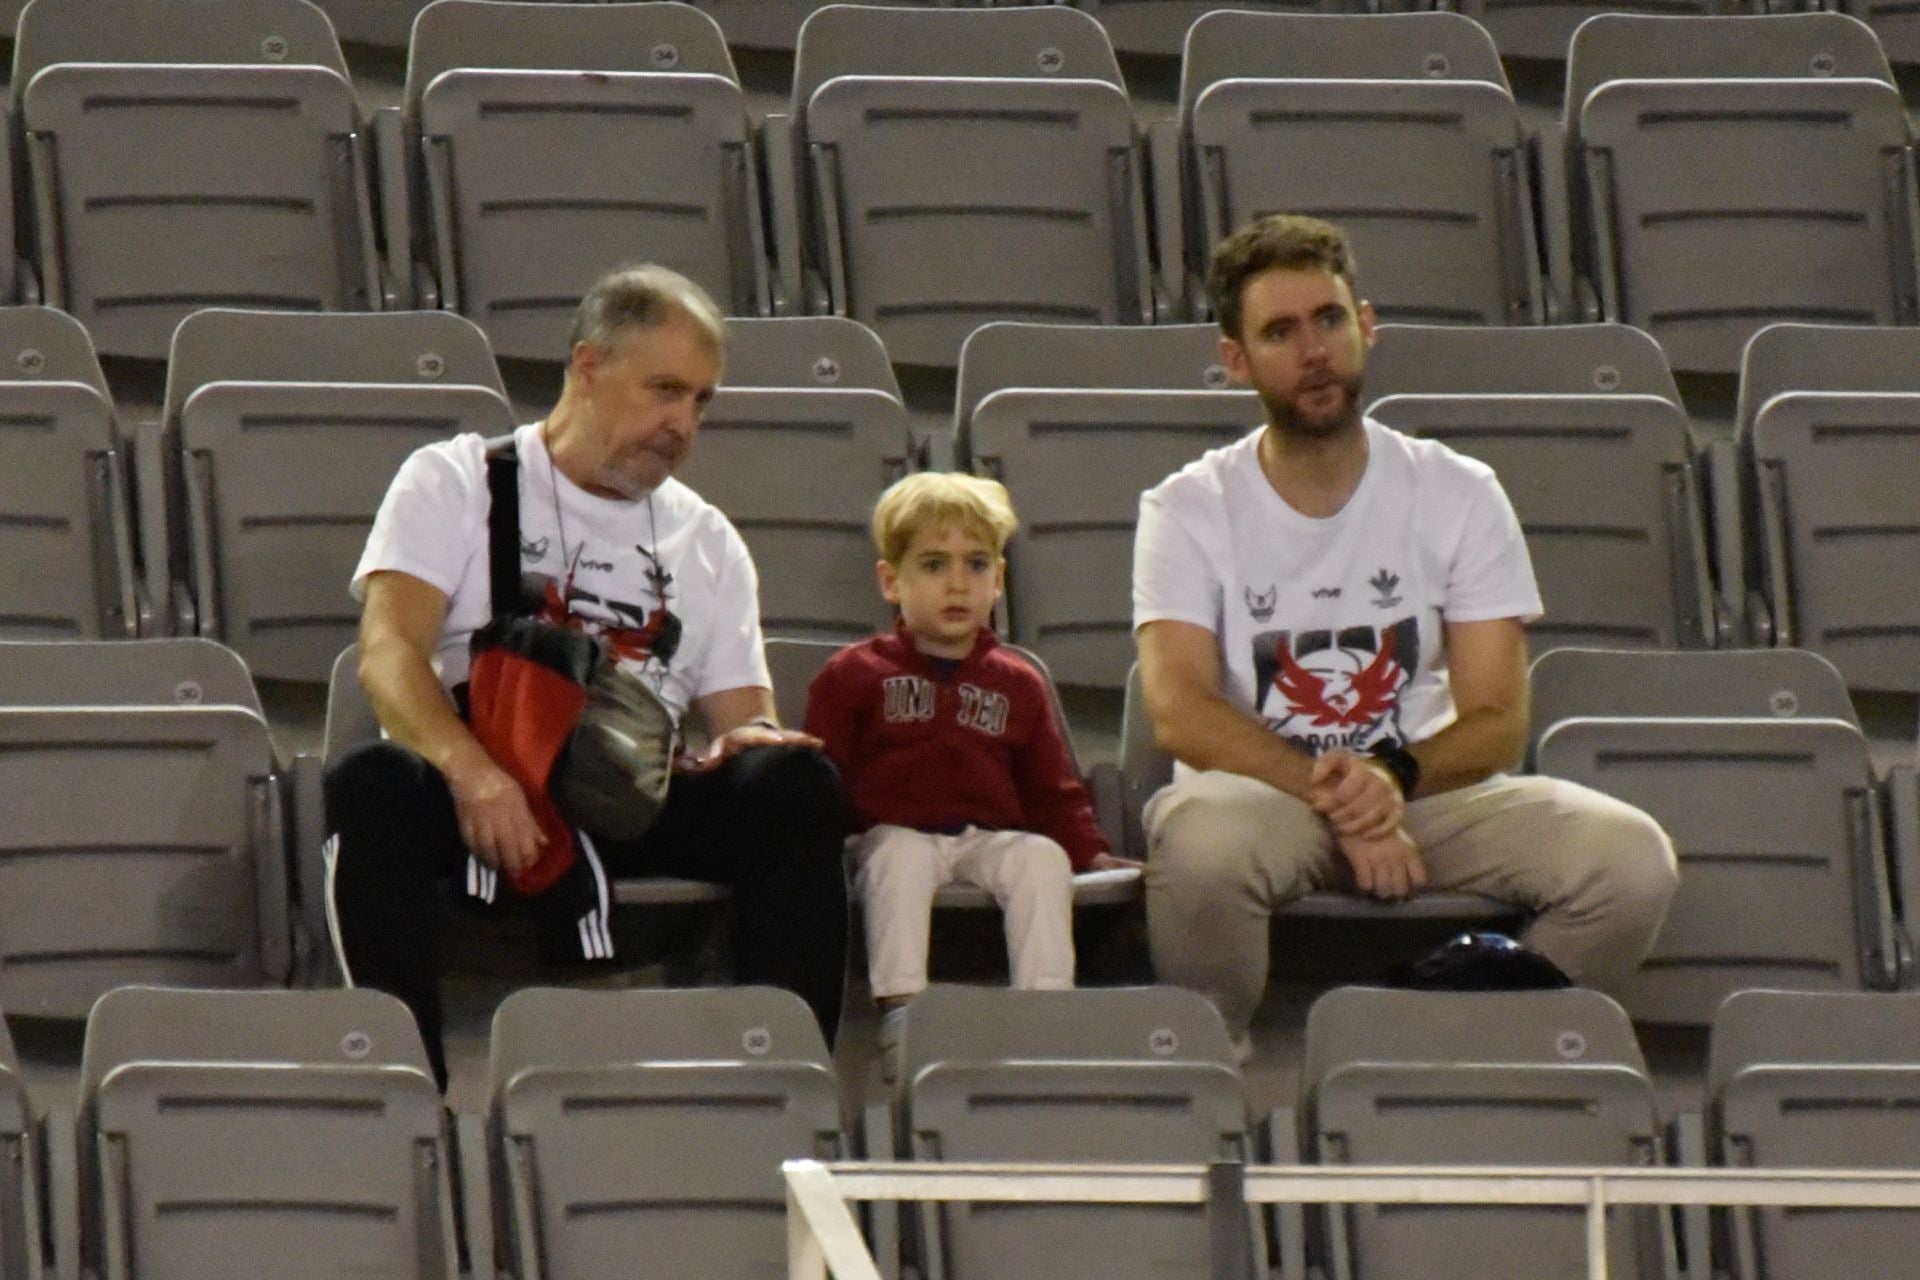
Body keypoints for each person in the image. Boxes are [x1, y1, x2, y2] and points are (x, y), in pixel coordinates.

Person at [1132, 214, 1679, 1044]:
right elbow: (1181, 712)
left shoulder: (1456, 489)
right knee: (1202, 845)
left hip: (1424, 788)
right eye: (1280, 332)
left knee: (1630, 860)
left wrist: (1390, 781)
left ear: (1367, 325)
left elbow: (1498, 716)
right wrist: (1344, 799)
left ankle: (1454, 1036)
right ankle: (1218, 1062)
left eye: (1329, 320)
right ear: (1235, 359)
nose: (1313, 350)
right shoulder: (1186, 506)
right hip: (1265, 798)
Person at [324, 265, 849, 1086]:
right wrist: (472, 773)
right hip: (487, 784)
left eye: (701, 402)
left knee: (794, 784)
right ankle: (406, 1088)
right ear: (588, 366)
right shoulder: (460, 480)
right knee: (372, 781)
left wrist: (755, 741)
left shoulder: (707, 539)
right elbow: (388, 652)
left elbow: (745, 718)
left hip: (628, 790)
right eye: (665, 390)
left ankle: (788, 1081)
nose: (682, 423)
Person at [805, 473, 1140, 1013]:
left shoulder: (1018, 681)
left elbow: (1052, 788)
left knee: (1041, 859)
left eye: (976, 564)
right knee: (902, 859)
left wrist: (1088, 852)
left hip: (988, 837)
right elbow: (822, 776)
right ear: (891, 581)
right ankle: (903, 1014)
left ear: (999, 580)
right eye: (935, 565)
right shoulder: (853, 674)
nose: (958, 584)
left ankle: (1047, 1013)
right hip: (888, 836)